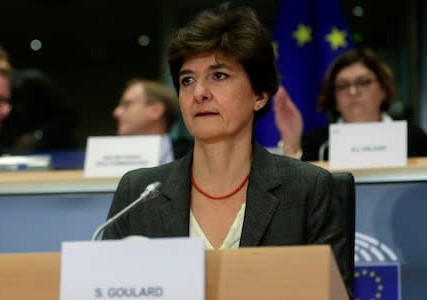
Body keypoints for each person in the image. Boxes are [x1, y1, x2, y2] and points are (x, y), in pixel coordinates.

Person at [103, 3, 350, 295]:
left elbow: (336, 294)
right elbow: (107, 287)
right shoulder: (139, 192)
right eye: (187, 80)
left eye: (218, 76)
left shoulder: (308, 190)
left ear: (259, 94)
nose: (199, 93)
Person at [275, 48, 427, 161]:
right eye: (343, 86)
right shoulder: (317, 143)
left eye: (363, 82)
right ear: (334, 99)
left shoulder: (413, 137)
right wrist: (292, 142)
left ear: (383, 90)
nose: (353, 91)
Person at [113, 78, 192, 163]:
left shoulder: (193, 155)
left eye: (127, 104)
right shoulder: (106, 155)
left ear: (156, 110)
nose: (116, 113)